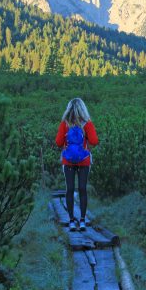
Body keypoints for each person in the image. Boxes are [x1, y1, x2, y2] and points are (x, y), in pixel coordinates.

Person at [55, 98, 99, 231]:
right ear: (83, 108)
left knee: (69, 189)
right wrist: (86, 147)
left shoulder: (65, 123)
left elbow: (57, 142)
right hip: (84, 160)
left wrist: (66, 146)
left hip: (68, 161)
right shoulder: (87, 123)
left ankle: (71, 221)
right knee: (82, 189)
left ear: (69, 109)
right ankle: (83, 220)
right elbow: (94, 140)